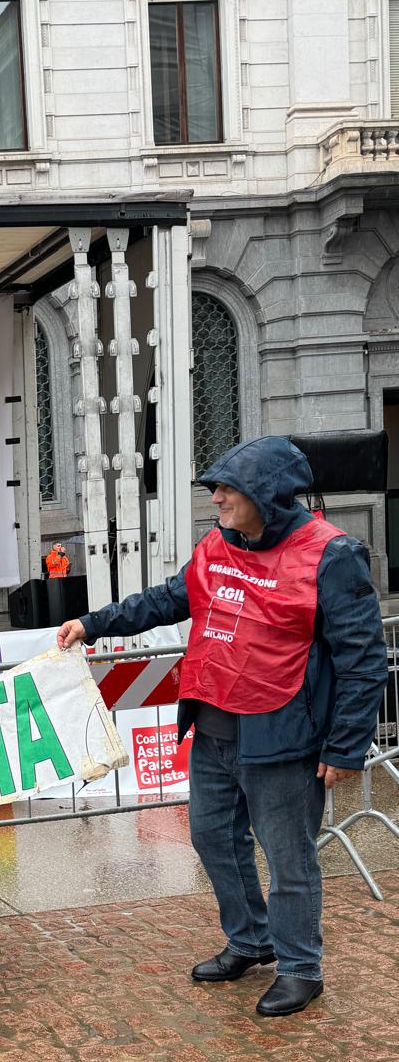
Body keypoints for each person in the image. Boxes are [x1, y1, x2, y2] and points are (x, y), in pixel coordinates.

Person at [57, 435, 387, 1018]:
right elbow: (166, 600)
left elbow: (362, 659)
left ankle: (300, 967)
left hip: (284, 734)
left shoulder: (331, 555)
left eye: (229, 489)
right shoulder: (217, 546)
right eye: (215, 488)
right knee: (213, 838)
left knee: (289, 859)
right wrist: (93, 622)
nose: (217, 499)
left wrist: (346, 747)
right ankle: (251, 939)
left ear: (269, 493)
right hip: (214, 728)